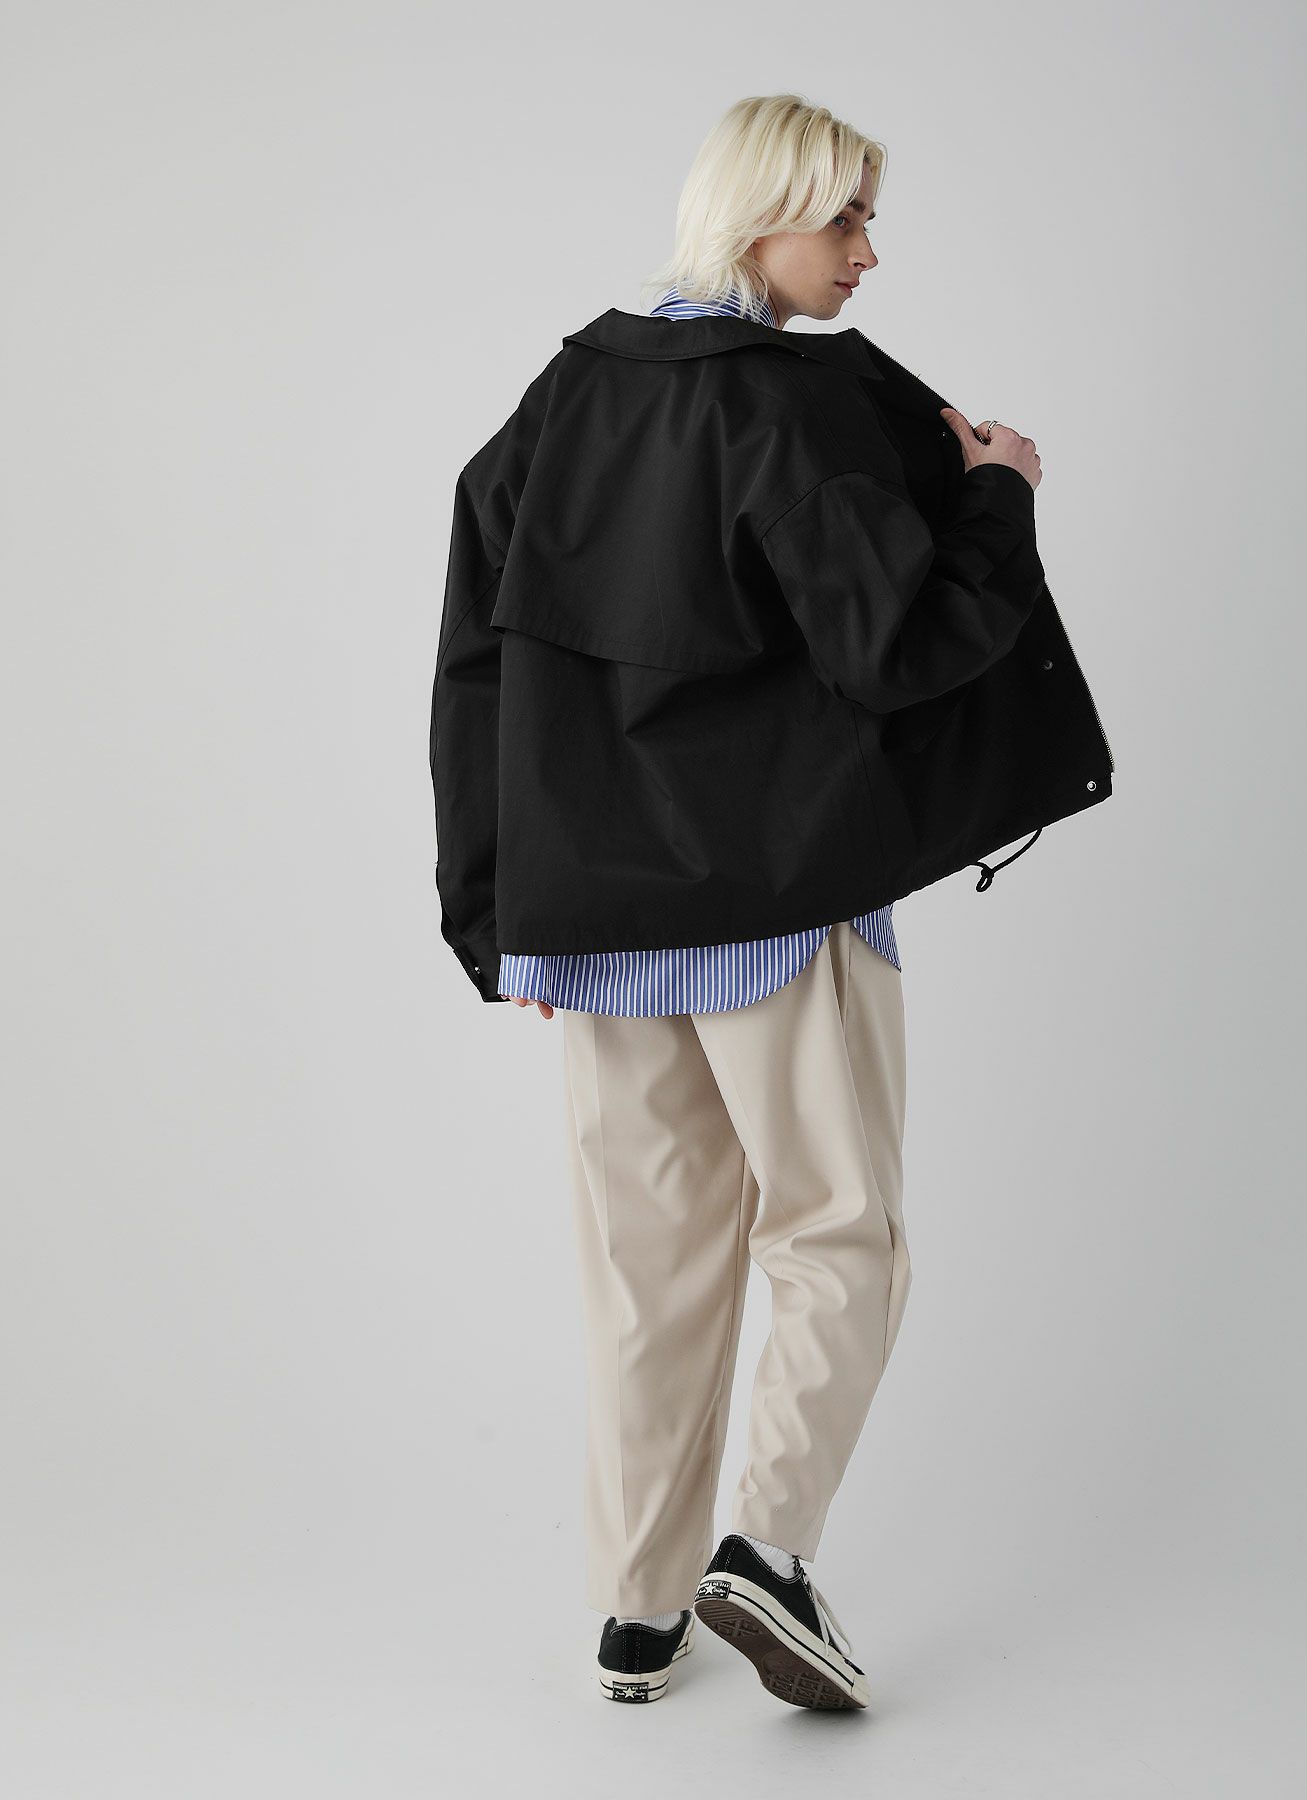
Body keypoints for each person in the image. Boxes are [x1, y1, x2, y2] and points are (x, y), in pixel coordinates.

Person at [430, 93, 1111, 1709]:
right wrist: (1001, 494)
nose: (869, 255)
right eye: (846, 220)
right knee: (838, 1233)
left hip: (597, 925)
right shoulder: (789, 407)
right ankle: (769, 1553)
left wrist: (492, 907)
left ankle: (637, 1612)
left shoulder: (566, 393)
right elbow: (901, 647)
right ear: (761, 219)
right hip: (777, 902)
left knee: (649, 1267)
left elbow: (475, 654)